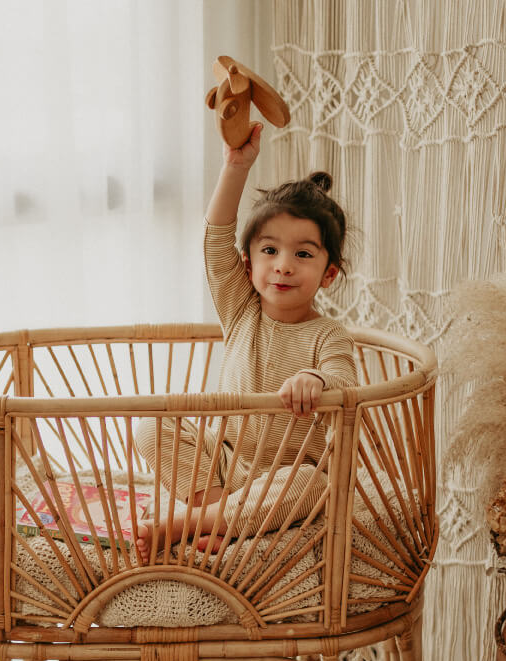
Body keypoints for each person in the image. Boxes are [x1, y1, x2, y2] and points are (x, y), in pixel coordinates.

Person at [134, 123, 356, 564]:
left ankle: (190, 524)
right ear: (248, 262)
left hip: (285, 475)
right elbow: (216, 239)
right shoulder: (242, 309)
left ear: (329, 274)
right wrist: (236, 166)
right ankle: (217, 516)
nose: (284, 266)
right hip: (226, 461)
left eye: (304, 254)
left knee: (316, 482)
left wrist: (315, 377)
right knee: (153, 426)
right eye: (270, 251)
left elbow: (343, 379)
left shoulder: (328, 334)